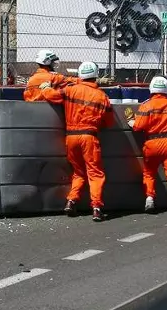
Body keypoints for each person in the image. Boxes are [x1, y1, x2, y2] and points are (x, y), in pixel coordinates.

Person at [38, 61, 114, 221]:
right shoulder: (102, 96)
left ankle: (71, 201)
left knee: (79, 172)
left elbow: (52, 96)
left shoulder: (70, 90)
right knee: (95, 173)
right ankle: (97, 207)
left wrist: (45, 87)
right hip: (89, 138)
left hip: (71, 137)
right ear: (96, 75)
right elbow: (109, 122)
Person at [127, 76, 167, 220]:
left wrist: (130, 121)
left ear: (151, 88)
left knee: (149, 173)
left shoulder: (146, 106)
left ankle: (149, 200)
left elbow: (138, 126)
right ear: (166, 89)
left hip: (152, 143)